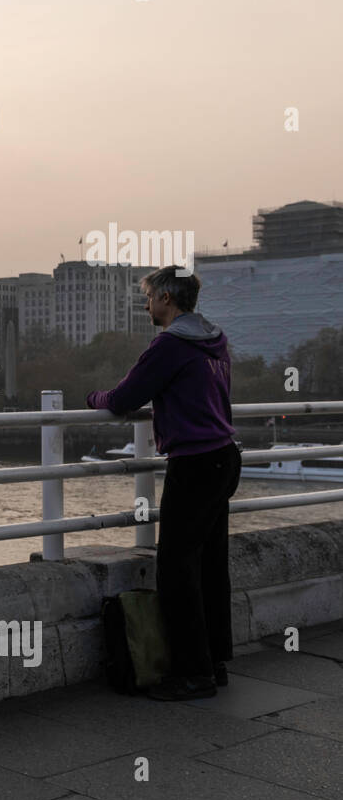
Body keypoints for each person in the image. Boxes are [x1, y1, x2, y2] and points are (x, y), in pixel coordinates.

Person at [85, 266, 241, 701]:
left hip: (194, 463)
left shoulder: (171, 345)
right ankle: (215, 660)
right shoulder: (216, 340)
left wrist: (92, 399)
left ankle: (194, 674)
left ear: (168, 300)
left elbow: (122, 399)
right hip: (224, 456)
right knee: (211, 564)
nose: (147, 304)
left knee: (176, 567)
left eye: (150, 296)